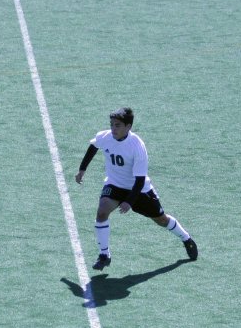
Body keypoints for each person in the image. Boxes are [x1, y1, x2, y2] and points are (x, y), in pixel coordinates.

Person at [74, 107, 198, 269]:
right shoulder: (105, 136)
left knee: (161, 219)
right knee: (102, 211)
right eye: (111, 124)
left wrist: (129, 202)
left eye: (117, 125)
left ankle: (186, 239)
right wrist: (82, 169)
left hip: (138, 190)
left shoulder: (137, 146)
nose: (113, 129)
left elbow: (139, 180)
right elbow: (94, 146)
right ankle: (104, 255)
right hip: (114, 184)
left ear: (128, 127)